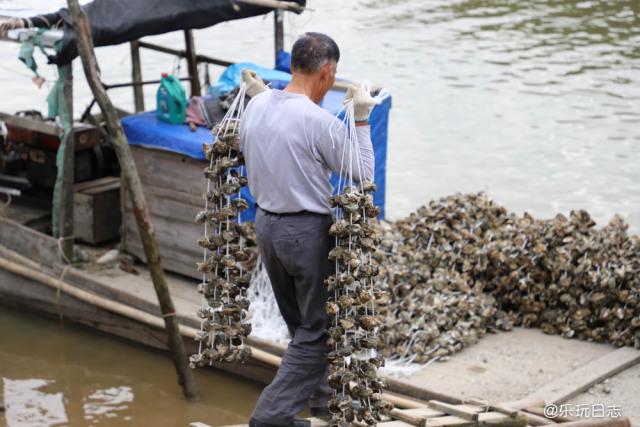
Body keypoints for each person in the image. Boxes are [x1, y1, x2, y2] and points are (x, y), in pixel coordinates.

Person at [240, 32, 379, 427]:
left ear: (293, 66)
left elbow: (270, 128)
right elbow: (363, 173)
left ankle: (321, 410)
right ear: (328, 72)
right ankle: (270, 417)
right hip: (306, 234)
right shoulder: (317, 120)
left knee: (301, 327)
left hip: (266, 227)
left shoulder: (258, 105)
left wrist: (258, 93)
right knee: (317, 332)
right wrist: (362, 117)